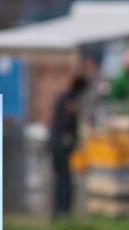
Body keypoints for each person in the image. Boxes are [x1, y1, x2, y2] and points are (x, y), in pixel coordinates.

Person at [49, 76, 89, 219]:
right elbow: (65, 124)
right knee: (64, 180)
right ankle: (62, 211)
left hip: (59, 145)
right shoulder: (69, 101)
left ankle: (61, 211)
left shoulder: (65, 98)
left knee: (62, 179)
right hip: (61, 146)